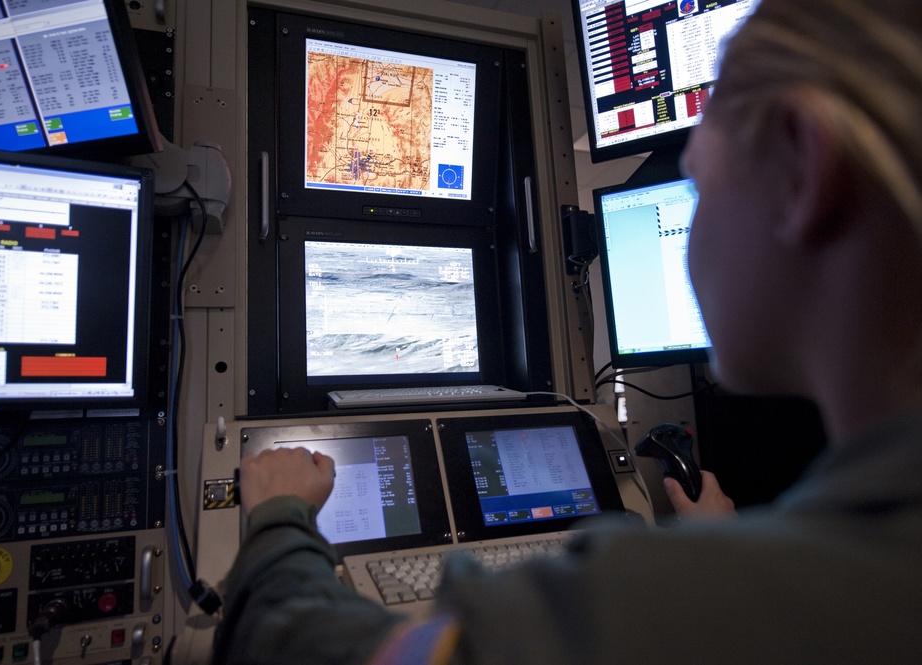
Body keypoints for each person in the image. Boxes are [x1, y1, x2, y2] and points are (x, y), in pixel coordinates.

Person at [213, 0, 922, 661]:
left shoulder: (643, 604)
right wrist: (731, 562)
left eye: (699, 184)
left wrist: (277, 519)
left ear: (802, 169)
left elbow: (299, 641)